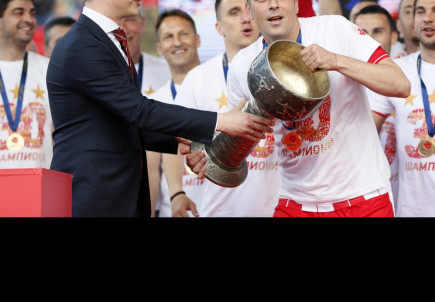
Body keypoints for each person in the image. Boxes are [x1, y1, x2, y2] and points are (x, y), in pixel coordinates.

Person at [46, 0, 273, 217]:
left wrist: (183, 141)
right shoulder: (82, 44)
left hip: (118, 196)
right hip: (94, 197)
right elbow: (138, 111)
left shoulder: (104, 39)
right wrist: (220, 121)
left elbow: (120, 123)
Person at [189, 0, 410, 217]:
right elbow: (239, 130)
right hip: (295, 201)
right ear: (249, 9)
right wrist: (209, 154)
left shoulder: (334, 29)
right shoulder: (242, 64)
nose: (273, 4)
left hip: (363, 197)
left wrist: (336, 61)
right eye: (262, 0)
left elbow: (400, 84)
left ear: (296, 4)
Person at [173, 0, 278, 217]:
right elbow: (176, 142)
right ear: (219, 28)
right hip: (219, 210)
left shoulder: (281, 69)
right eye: (234, 12)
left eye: (249, 10)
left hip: (278, 207)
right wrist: (176, 192)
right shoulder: (198, 78)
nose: (246, 18)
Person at [368, 0, 435, 217]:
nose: (427, 18)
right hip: (410, 211)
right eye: (420, 11)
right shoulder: (397, 70)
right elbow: (360, 128)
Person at [145, 8, 204, 217]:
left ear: (197, 39)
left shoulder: (223, 85)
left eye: (183, 34)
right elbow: (151, 172)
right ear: (159, 48)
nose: (177, 42)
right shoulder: (153, 103)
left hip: (224, 209)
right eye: (168, 37)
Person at [0, 0, 53, 170]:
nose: (29, 19)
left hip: (40, 183)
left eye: (32, 13)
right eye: (19, 12)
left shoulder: (51, 70)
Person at [355, 3, 398, 200]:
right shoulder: (332, 82)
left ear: (394, 37)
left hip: (400, 193)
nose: (369, 39)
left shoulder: (408, 78)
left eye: (377, 32)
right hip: (352, 192)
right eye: (362, 33)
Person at [119, 6, 171, 96]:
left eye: (129, 19)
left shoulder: (168, 72)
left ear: (142, 23)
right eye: (115, 22)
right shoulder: (94, 75)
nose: (123, 29)